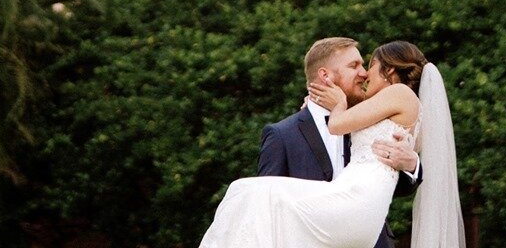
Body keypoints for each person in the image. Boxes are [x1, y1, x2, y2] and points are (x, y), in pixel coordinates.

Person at [198, 38, 463, 248]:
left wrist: (413, 164)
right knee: (249, 195)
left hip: (358, 225)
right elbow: (268, 220)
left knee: (244, 192)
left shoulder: (367, 114)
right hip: (317, 230)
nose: (363, 73)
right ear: (325, 76)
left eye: (366, 64)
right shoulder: (282, 135)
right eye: (354, 66)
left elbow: (397, 176)